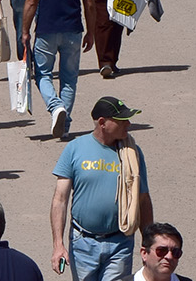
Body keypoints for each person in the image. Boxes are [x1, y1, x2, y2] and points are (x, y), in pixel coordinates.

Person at [52, 97, 152, 281]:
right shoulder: (75, 149)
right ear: (102, 123)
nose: (128, 124)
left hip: (120, 242)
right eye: (121, 120)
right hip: (82, 242)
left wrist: (150, 242)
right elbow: (60, 200)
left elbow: (143, 199)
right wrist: (58, 245)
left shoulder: (133, 153)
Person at [27, 0, 95, 138]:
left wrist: (24, 30)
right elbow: (90, 3)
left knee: (43, 74)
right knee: (69, 78)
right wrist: (91, 32)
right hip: (73, 29)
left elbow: (31, 1)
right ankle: (64, 127)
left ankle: (55, 107)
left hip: (46, 29)